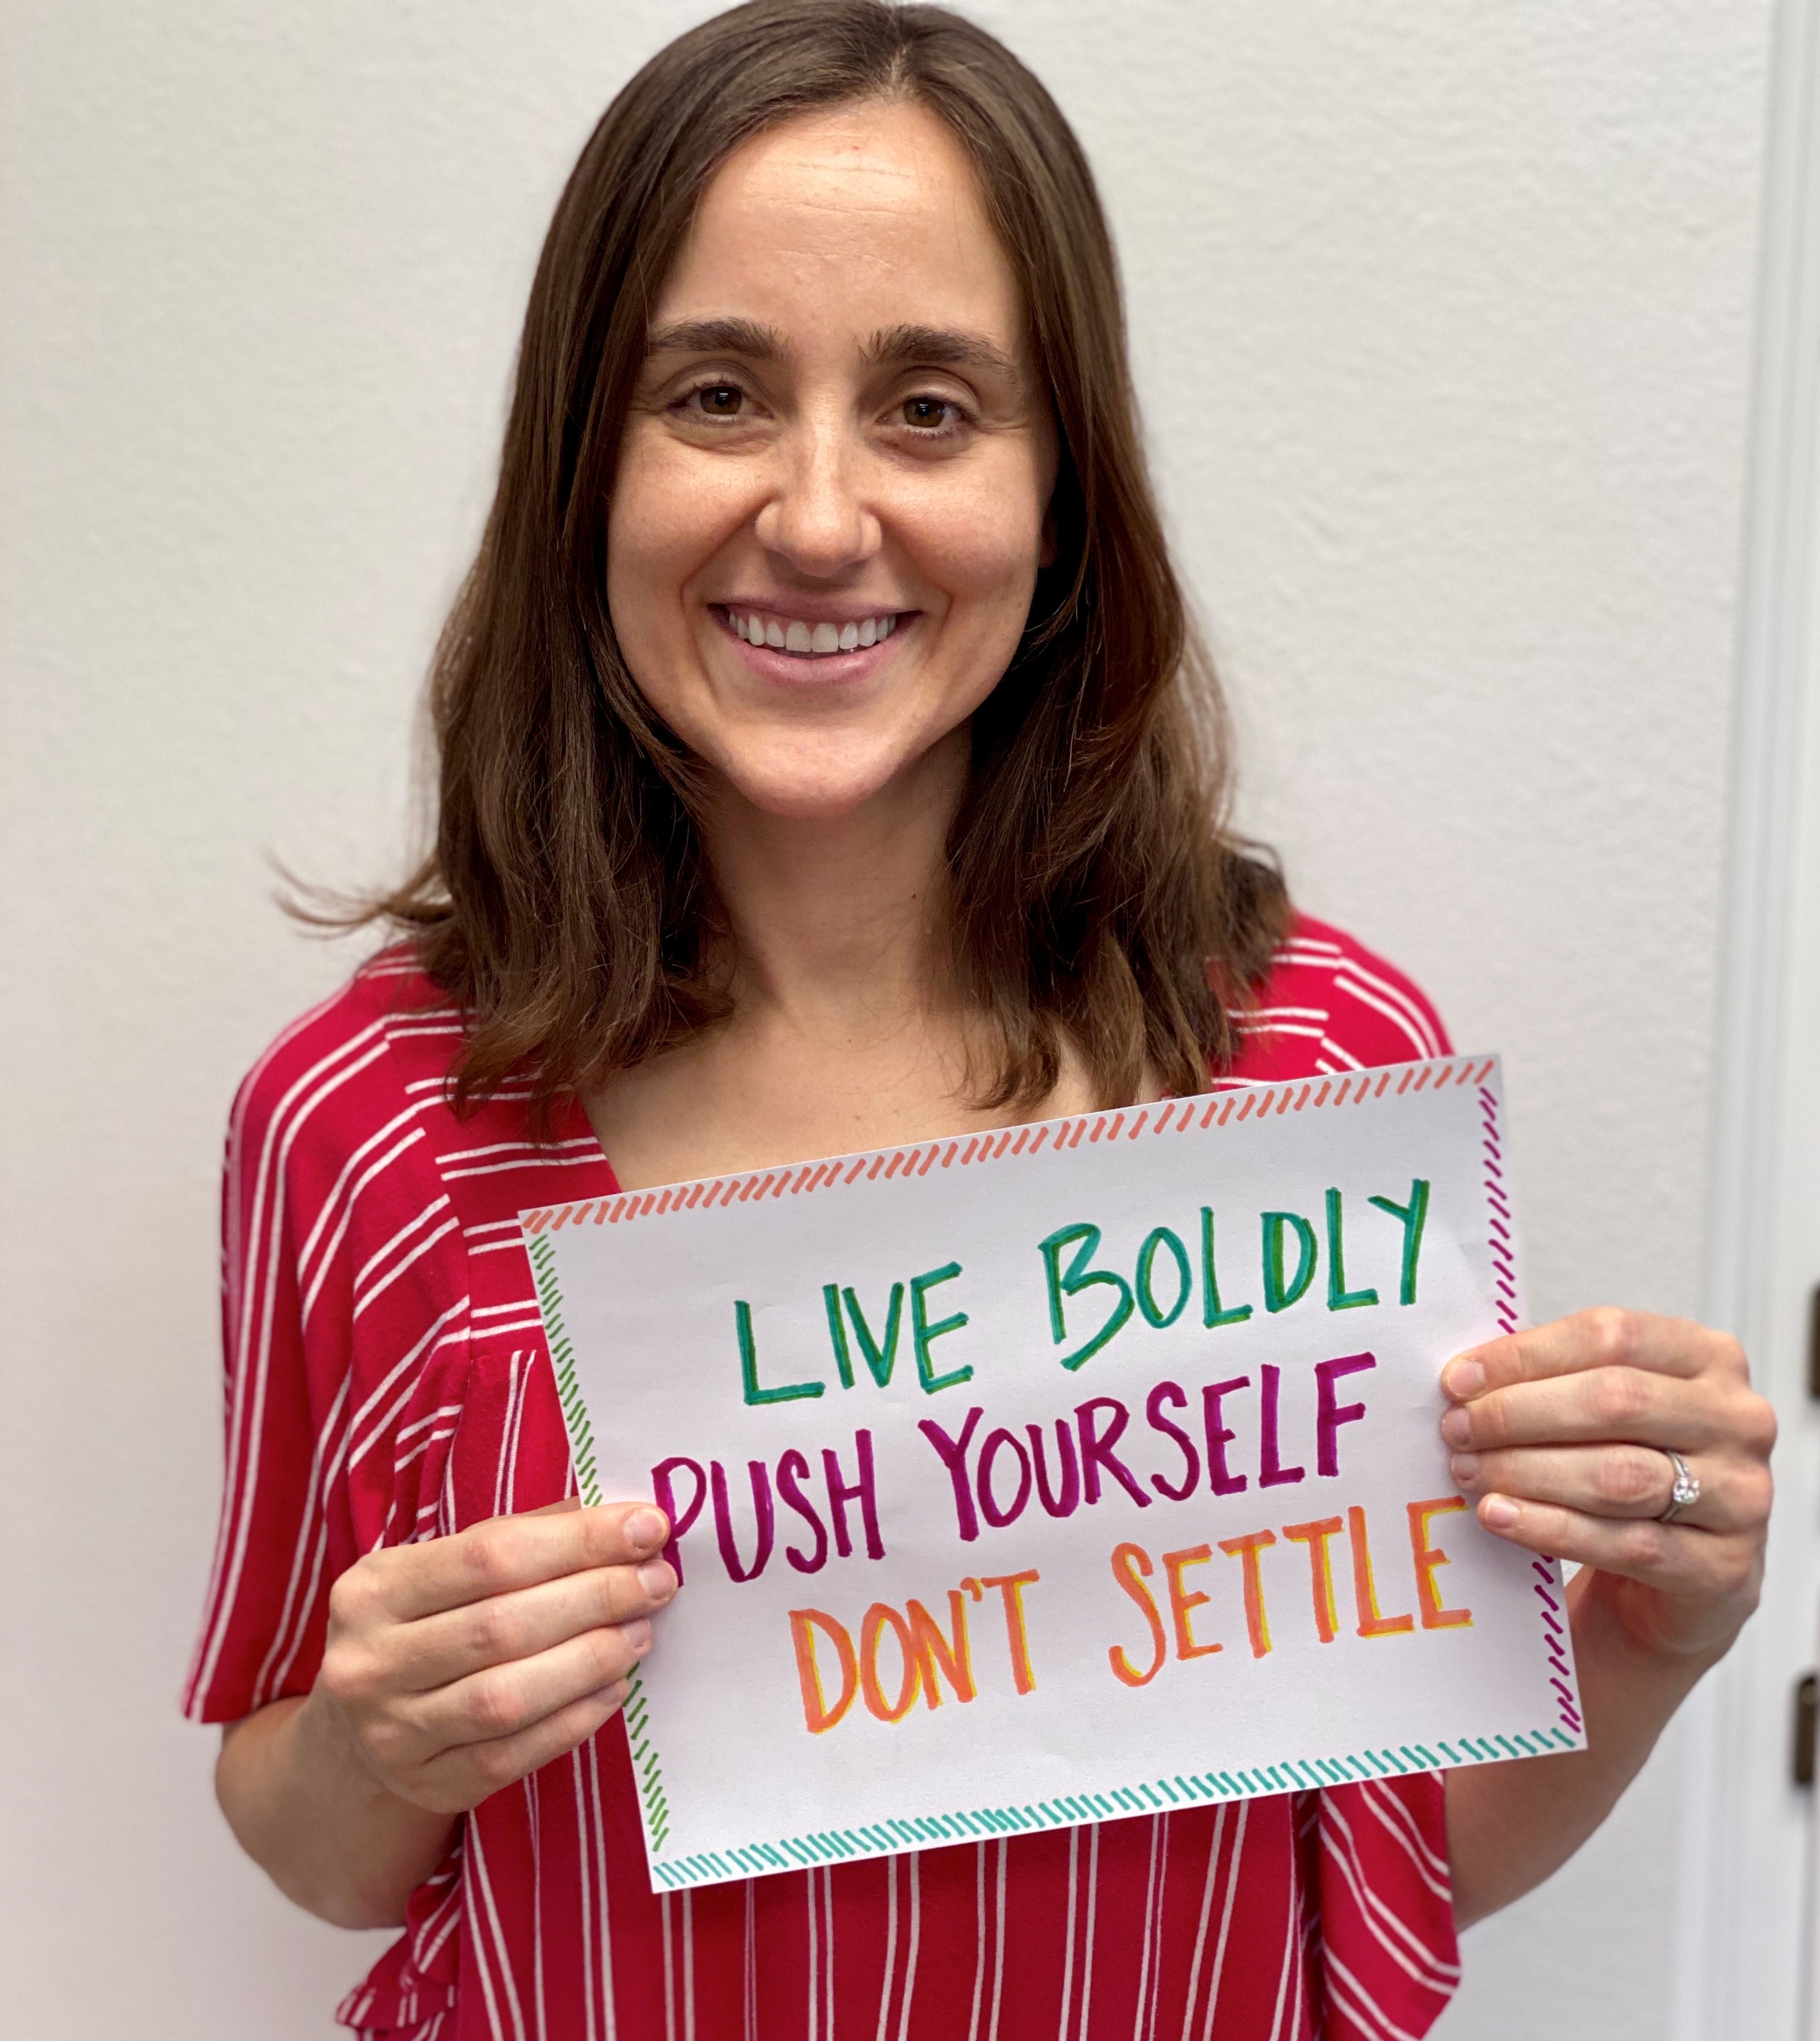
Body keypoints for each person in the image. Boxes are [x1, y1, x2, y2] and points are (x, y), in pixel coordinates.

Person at [188, 4, 1776, 2035]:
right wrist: (369, 1745)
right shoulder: (367, 1119)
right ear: (583, 463)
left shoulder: (1306, 1076)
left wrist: (1645, 1633)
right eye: (716, 395)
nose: (826, 517)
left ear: (1061, 489)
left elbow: (1392, 1877)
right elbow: (310, 1843)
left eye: (931, 407)